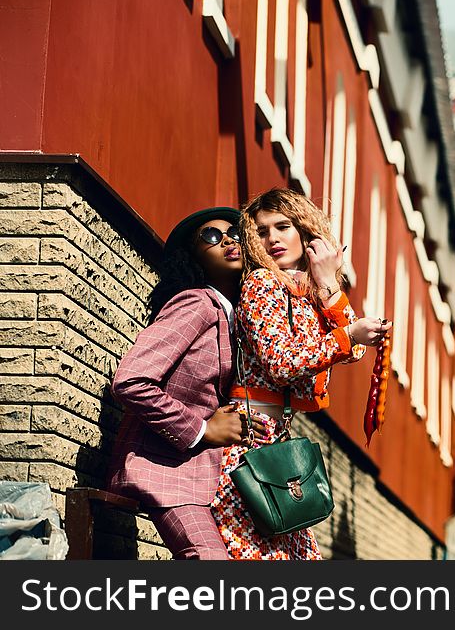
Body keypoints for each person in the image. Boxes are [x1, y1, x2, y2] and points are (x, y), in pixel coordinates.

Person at [211, 186, 390, 560]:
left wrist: (328, 282)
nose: (273, 238)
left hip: (278, 437)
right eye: (261, 231)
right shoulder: (261, 284)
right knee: (254, 556)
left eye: (283, 226)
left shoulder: (305, 291)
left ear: (305, 233)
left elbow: (354, 350)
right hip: (247, 436)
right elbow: (281, 362)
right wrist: (346, 335)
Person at [107, 207, 267, 559]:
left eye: (236, 233)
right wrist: (201, 430)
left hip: (213, 481)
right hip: (166, 473)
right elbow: (132, 380)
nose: (228, 240)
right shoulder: (196, 304)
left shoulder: (237, 316)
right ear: (193, 256)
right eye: (211, 236)